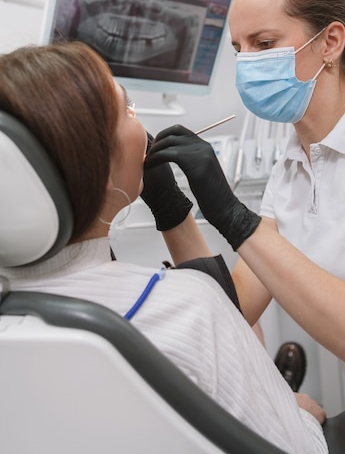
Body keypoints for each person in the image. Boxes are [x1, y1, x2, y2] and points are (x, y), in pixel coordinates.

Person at [145, 0, 345, 454]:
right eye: (239, 48)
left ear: (330, 43)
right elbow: (230, 311)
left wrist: (236, 219)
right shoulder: (291, 168)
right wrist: (171, 209)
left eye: (264, 44)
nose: (248, 61)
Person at [0, 40, 327, 454]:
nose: (140, 123)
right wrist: (299, 417)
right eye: (128, 109)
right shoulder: (189, 307)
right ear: (98, 166)